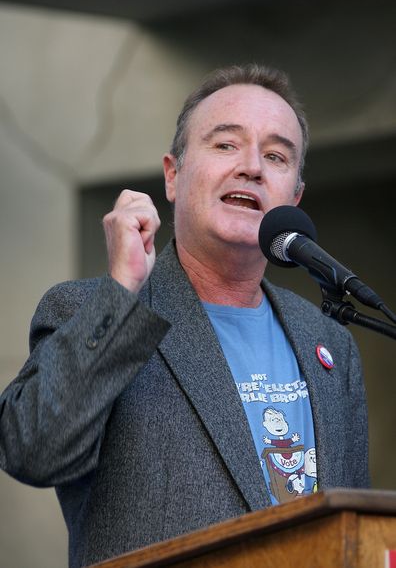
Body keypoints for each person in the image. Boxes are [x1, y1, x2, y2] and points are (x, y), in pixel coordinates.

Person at [0, 64, 369, 568]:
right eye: (226, 145)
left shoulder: (329, 343)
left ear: (294, 198)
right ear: (173, 176)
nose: (253, 167)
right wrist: (122, 293)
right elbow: (33, 450)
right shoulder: (93, 311)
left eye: (277, 155)